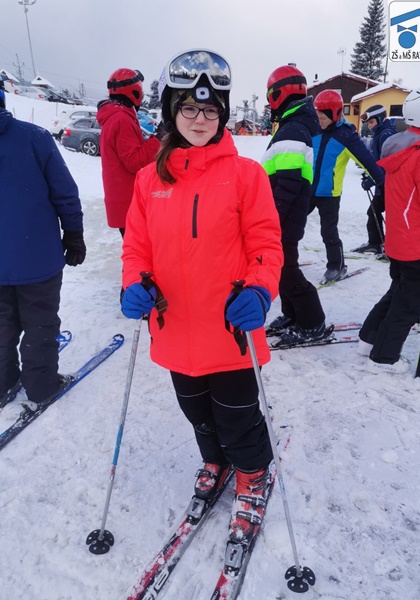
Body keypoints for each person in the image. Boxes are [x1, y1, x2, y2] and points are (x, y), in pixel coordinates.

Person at [120, 49, 283, 545]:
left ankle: (252, 472)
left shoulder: (246, 175)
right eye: (189, 108)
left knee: (237, 416)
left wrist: (261, 288)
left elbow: (266, 243)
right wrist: (134, 282)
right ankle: (215, 461)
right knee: (197, 413)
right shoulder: (149, 180)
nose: (200, 119)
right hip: (173, 327)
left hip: (229, 330)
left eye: (211, 110)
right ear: (172, 111)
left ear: (223, 115)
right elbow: (137, 247)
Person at [0, 94, 86, 410]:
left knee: (1, 325)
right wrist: (73, 233)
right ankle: (41, 384)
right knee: (40, 323)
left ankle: (3, 382)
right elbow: (64, 191)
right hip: (36, 258)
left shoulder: (34, 138)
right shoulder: (34, 137)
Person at [358, 83, 420, 374]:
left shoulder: (405, 146)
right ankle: (383, 359)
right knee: (409, 304)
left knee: (397, 292)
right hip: (419, 243)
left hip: (401, 239)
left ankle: (368, 339)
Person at [261, 65, 330, 346]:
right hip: (287, 214)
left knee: (287, 271)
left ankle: (313, 323)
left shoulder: (292, 129)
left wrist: (271, 218)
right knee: (282, 268)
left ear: (278, 94)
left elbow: (288, 183)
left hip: (285, 216)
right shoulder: (294, 125)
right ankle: (293, 315)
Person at [310, 90, 385, 284]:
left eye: (323, 117)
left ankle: (337, 266)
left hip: (329, 193)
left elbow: (368, 162)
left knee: (328, 232)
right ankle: (284, 259)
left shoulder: (346, 135)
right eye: (318, 117)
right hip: (308, 189)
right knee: (293, 224)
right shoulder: (314, 129)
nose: (320, 121)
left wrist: (382, 182)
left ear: (335, 114)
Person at [97, 68, 160, 238]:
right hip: (128, 201)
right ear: (134, 91)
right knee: (139, 250)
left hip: (124, 199)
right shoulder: (121, 119)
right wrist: (158, 139)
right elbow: (135, 161)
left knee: (136, 248)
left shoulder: (117, 116)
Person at [352, 105, 397, 255]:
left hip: (389, 184)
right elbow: (376, 161)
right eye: (368, 123)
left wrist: (371, 180)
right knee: (374, 212)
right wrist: (370, 175)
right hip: (383, 184)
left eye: (371, 122)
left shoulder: (386, 135)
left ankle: (384, 245)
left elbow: (386, 163)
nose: (370, 126)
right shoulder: (381, 134)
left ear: (380, 119)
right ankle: (378, 243)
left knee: (380, 214)